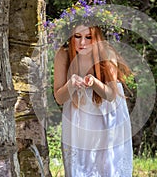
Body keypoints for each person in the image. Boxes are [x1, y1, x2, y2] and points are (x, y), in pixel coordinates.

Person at [53, 24, 133, 176]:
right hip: (78, 116)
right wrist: (71, 84)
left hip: (107, 115)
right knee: (81, 165)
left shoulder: (106, 53)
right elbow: (59, 98)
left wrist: (94, 83)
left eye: (88, 37)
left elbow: (110, 95)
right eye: (77, 37)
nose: (82, 43)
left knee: (106, 164)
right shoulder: (63, 55)